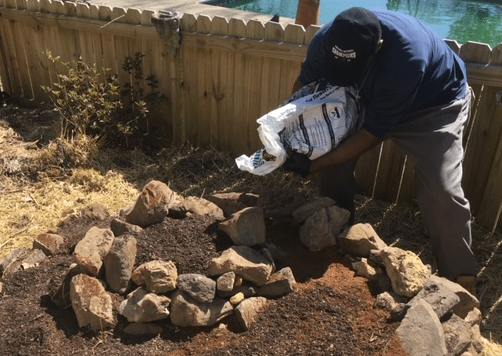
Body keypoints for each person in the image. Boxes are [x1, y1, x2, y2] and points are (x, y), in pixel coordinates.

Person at [284, 7, 477, 286]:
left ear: (378, 48)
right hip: (365, 95)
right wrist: (289, 129)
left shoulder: (407, 57)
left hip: (434, 105)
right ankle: (341, 233)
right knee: (332, 159)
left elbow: (371, 134)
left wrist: (312, 165)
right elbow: (305, 85)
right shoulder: (327, 39)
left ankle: (461, 282)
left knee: (442, 190)